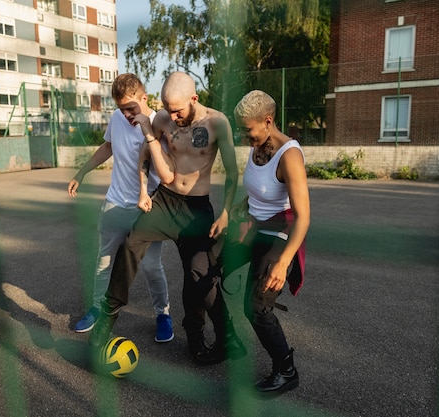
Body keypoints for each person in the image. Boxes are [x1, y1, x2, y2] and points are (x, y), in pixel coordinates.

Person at [89, 71, 246, 364]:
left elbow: (233, 172)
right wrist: (143, 191)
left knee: (200, 275)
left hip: (196, 209)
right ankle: (103, 326)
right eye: (167, 109)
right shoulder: (161, 119)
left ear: (194, 99)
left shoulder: (217, 122)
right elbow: (145, 156)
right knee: (130, 246)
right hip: (164, 200)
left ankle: (222, 339)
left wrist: (225, 212)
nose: (172, 117)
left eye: (178, 110)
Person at [67, 73, 174, 343]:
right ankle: (96, 308)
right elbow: (108, 146)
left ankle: (162, 314)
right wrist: (81, 172)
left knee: (151, 265)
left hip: (147, 207)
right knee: (104, 259)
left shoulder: (160, 122)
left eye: (130, 108)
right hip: (116, 202)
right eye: (121, 108)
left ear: (144, 98)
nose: (126, 114)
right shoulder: (117, 119)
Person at [220, 90, 310, 396]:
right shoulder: (257, 145)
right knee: (203, 266)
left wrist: (283, 263)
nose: (245, 136)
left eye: (248, 129)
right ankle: (226, 338)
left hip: (279, 234)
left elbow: (303, 217)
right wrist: (242, 206)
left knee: (256, 306)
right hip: (252, 226)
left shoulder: (290, 156)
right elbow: (261, 188)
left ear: (268, 121)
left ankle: (286, 371)